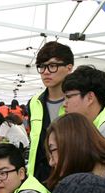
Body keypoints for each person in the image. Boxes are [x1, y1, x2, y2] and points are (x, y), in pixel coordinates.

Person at [27, 41, 73, 183]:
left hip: (68, 176)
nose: (46, 72)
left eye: (52, 66)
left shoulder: (79, 102)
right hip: (37, 177)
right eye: (41, 66)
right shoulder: (34, 102)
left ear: (69, 68)